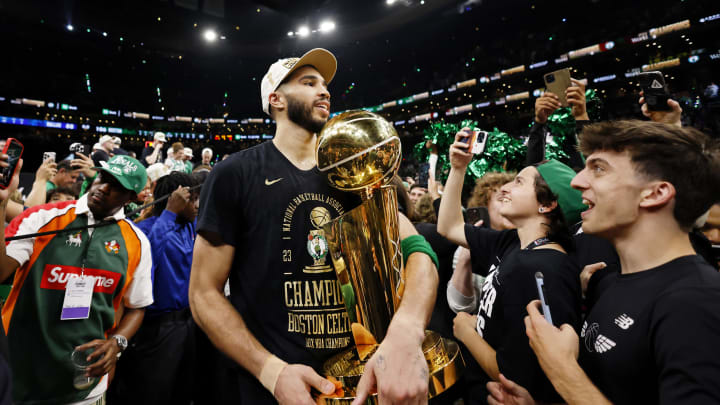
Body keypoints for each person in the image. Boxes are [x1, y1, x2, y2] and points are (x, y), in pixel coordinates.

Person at [189, 48, 438, 405]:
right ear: (276, 99)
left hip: (364, 380)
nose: (324, 91)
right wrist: (272, 372)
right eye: (308, 83)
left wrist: (408, 329)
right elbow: (203, 294)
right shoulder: (236, 173)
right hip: (275, 388)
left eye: (325, 84)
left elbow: (418, 252)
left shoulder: (355, 169)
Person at [503, 120, 720, 405]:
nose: (577, 181)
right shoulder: (606, 283)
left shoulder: (696, 301)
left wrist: (562, 371)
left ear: (655, 193)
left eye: (599, 168)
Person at [438, 128, 584, 403]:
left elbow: (518, 377)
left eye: (518, 182)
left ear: (548, 204)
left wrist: (467, 334)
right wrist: (458, 169)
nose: (505, 188)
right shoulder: (513, 242)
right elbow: (449, 226)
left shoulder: (542, 269)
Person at [1, 155, 152, 404]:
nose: (103, 187)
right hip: (18, 375)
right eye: (103, 177)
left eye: (116, 186)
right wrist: (1, 204)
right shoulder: (42, 218)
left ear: (133, 198)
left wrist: (117, 343)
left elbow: (137, 307)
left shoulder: (138, 243)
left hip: (84, 386)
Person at [110, 172, 199, 404]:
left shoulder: (190, 227)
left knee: (183, 389)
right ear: (177, 200)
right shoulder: (143, 229)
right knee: (152, 392)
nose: (199, 205)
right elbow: (150, 262)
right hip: (155, 326)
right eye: (194, 198)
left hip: (188, 323)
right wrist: (169, 212)